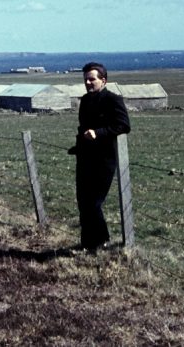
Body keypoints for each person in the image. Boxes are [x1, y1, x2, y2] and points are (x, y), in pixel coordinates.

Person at [69, 61, 130, 251]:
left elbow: (123, 125)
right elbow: (82, 128)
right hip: (85, 158)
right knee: (83, 202)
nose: (88, 83)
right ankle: (88, 244)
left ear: (103, 80)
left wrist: (99, 132)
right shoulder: (85, 101)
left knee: (94, 202)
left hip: (104, 159)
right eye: (85, 80)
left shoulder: (113, 100)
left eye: (92, 79)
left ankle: (101, 241)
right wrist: (78, 146)